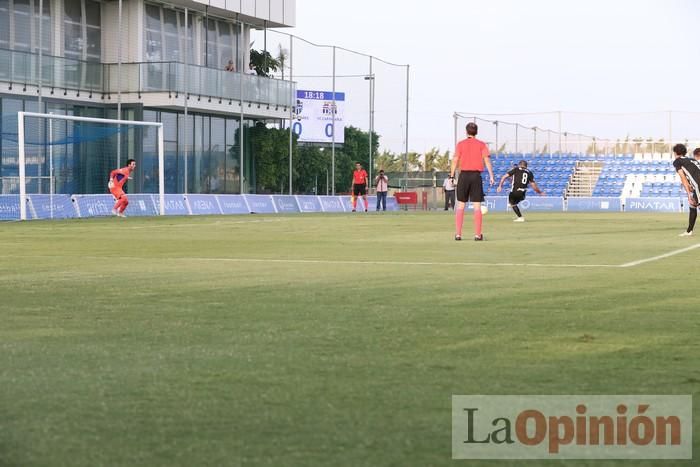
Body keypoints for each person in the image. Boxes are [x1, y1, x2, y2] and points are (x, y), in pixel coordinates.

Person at [450, 122, 495, 241]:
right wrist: (491, 175)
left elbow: (455, 160)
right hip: (476, 176)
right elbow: (487, 161)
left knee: (461, 205)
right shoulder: (482, 144)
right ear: (477, 132)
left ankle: (458, 234)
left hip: (464, 176)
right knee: (476, 206)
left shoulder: (460, 144)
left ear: (466, 132)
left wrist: (451, 175)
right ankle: (477, 235)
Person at [672, 144, 700, 236]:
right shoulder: (691, 160)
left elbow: (683, 178)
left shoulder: (677, 161)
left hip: (698, 186)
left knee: (695, 204)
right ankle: (689, 231)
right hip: (696, 186)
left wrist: (688, 195)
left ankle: (689, 231)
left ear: (675, 152)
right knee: (693, 207)